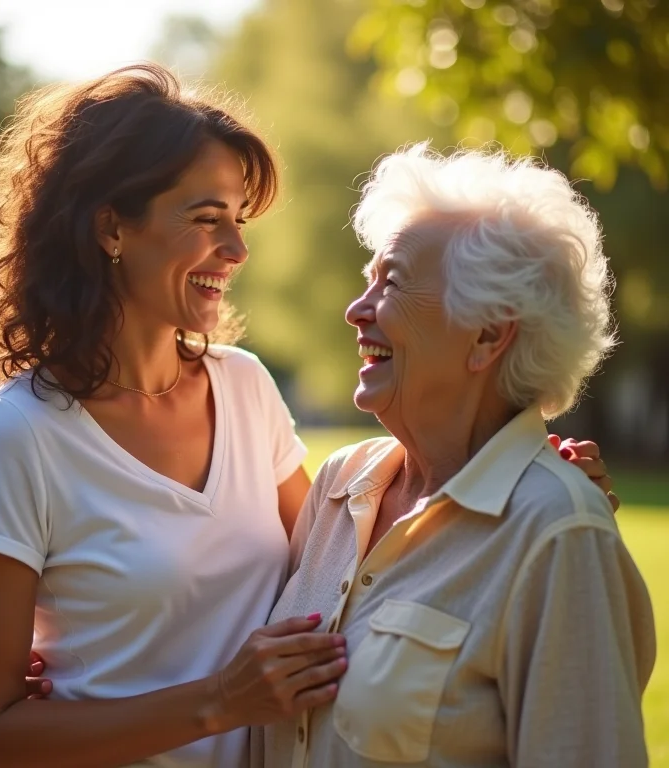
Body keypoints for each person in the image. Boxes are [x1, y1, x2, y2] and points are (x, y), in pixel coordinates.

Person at [0, 64, 617, 768]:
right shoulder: (14, 437)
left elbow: (347, 566)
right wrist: (220, 702)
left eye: (239, 220)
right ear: (113, 226)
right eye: (207, 220)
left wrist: (524, 493)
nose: (236, 251)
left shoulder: (244, 388)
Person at [258, 143, 656, 768]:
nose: (355, 310)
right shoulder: (341, 484)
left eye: (390, 283)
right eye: (368, 280)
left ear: (489, 335)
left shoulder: (558, 531)